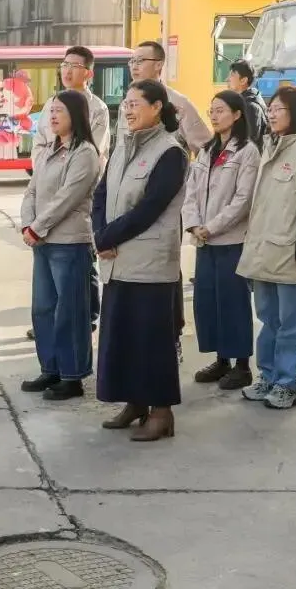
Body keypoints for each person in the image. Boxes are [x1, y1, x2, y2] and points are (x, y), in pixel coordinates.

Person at [92, 79, 188, 442]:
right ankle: (135, 403)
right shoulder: (122, 145)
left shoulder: (171, 152)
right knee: (123, 337)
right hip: (118, 260)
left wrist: (108, 237)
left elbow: (151, 208)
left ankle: (162, 413)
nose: (128, 110)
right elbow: (101, 194)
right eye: (126, 103)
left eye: (135, 103)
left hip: (150, 263)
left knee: (152, 340)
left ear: (157, 107)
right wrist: (100, 233)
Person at [237, 86, 296, 409]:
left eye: (279, 109)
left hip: (291, 251)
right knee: (268, 319)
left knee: (291, 322)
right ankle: (268, 376)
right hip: (265, 248)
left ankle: (290, 384)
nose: (273, 114)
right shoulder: (270, 144)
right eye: (272, 108)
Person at [122, 40, 213, 363]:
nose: (134, 65)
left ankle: (171, 336)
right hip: (128, 201)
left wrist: (193, 190)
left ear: (159, 65)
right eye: (132, 61)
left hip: (165, 204)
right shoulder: (128, 103)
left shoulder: (178, 103)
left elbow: (206, 148)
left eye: (141, 60)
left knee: (166, 271)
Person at [20, 90, 102, 400]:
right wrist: (27, 224)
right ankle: (50, 368)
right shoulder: (47, 150)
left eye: (59, 111)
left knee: (70, 311)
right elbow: (31, 191)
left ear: (76, 115)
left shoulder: (85, 153)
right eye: (51, 111)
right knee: (43, 308)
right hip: (42, 241)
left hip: (69, 242)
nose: (52, 116)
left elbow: (68, 198)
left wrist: (37, 227)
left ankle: (72, 375)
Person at [26, 45, 110, 342]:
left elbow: (94, 150)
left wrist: (61, 168)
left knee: (81, 265)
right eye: (64, 65)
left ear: (88, 73)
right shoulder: (52, 103)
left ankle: (86, 317)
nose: (67, 70)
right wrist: (45, 169)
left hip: (78, 192)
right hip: (48, 185)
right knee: (49, 280)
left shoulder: (96, 109)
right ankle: (55, 323)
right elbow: (40, 145)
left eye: (74, 65)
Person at [182, 90, 260, 390]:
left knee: (233, 303)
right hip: (204, 241)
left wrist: (211, 227)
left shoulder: (247, 152)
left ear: (237, 115)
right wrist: (193, 224)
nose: (214, 116)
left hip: (231, 242)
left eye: (220, 110)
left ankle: (242, 366)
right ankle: (221, 360)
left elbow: (243, 200)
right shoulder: (206, 150)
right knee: (209, 302)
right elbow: (191, 191)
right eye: (211, 110)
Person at [227, 59, 269, 146]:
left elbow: (249, 142)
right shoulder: (245, 102)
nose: (227, 79)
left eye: (232, 75)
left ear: (243, 80)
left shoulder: (250, 107)